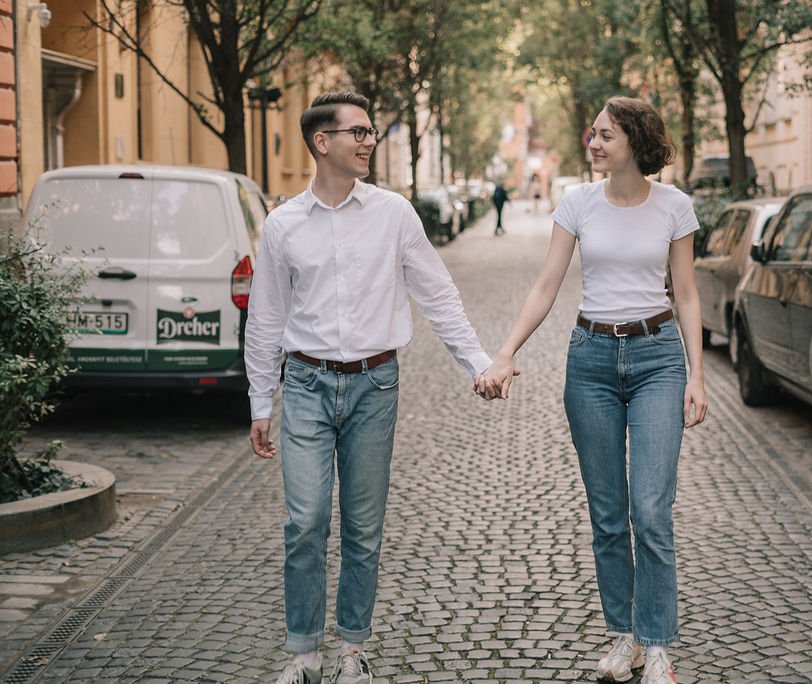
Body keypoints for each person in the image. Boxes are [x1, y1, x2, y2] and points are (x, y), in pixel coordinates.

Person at [245, 91, 492, 684]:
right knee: (304, 522)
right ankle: (303, 653)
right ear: (320, 142)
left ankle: (351, 651)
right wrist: (261, 401)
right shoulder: (283, 226)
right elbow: (266, 317)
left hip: (375, 386)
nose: (367, 141)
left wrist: (477, 362)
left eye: (370, 132)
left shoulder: (394, 214)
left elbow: (437, 292)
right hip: (305, 382)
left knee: (362, 524)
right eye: (356, 132)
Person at [475, 96, 708, 684]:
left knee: (651, 510)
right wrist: (505, 353)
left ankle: (657, 646)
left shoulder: (674, 207)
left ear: (634, 139)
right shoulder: (577, 202)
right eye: (592, 134)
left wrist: (697, 376)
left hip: (658, 359)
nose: (594, 143)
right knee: (608, 514)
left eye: (605, 135)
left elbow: (686, 295)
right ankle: (621, 637)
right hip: (592, 362)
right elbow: (546, 285)